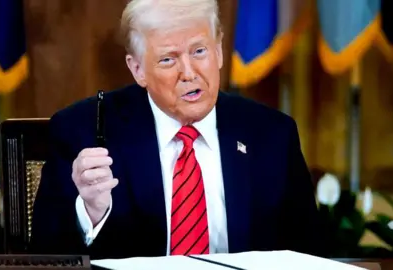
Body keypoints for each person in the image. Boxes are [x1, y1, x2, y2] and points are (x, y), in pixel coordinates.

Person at [30, 0, 326, 259]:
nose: (188, 73)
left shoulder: (272, 135)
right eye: (168, 59)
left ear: (219, 52)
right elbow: (44, 256)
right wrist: (91, 212)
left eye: (199, 51)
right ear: (138, 70)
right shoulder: (82, 131)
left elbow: (311, 255)